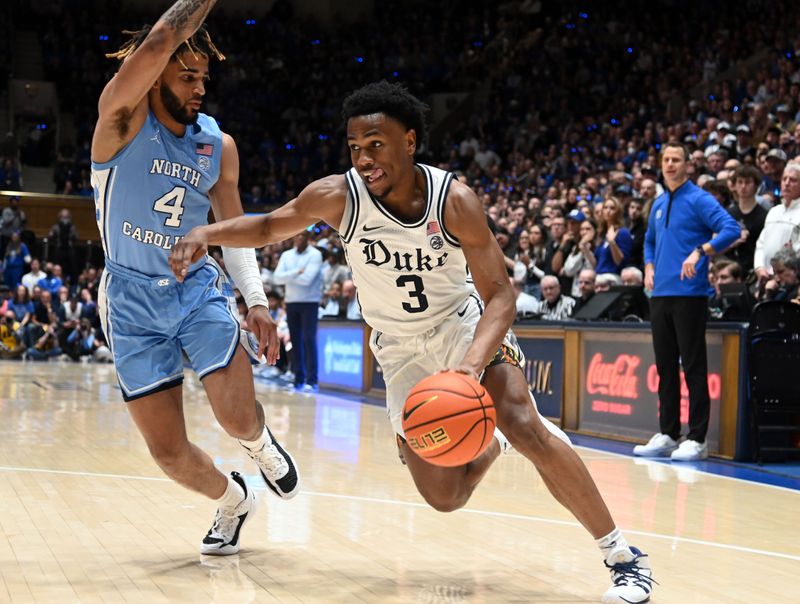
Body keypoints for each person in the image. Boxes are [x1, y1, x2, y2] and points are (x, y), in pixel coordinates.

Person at [170, 81, 655, 603]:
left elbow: (500, 296)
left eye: (375, 144)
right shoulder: (336, 196)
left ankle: (623, 558)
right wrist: (207, 234)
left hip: (461, 326)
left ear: (410, 141)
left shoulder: (454, 200)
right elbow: (268, 225)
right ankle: (491, 441)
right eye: (355, 147)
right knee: (444, 497)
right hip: (398, 349)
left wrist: (469, 368)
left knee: (522, 420)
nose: (364, 159)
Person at [91, 0, 299, 556]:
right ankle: (233, 498)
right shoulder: (119, 120)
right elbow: (158, 40)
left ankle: (258, 443)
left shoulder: (217, 145)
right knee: (168, 453)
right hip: (129, 297)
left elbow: (233, 230)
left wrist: (255, 301)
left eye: (204, 77)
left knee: (235, 416)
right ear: (155, 74)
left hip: (195, 289)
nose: (199, 87)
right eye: (187, 76)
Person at [637, 143, 740, 462]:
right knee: (666, 367)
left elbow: (731, 229)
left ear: (687, 166)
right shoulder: (657, 203)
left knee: (693, 366)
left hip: (690, 295)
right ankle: (668, 433)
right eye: (665, 160)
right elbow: (650, 241)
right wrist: (649, 265)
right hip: (660, 295)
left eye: (676, 160)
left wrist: (702, 251)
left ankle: (697, 438)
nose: (669, 164)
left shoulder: (699, 199)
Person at [273, 231, 323, 392]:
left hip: (310, 302)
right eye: (297, 235)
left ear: (308, 239)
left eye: (303, 236)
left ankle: (312, 380)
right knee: (295, 341)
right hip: (291, 302)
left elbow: (307, 280)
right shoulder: (287, 255)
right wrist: (296, 272)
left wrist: (288, 277)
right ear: (294, 237)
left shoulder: (315, 255)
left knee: (309, 340)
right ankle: (298, 379)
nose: (299, 238)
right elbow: (277, 278)